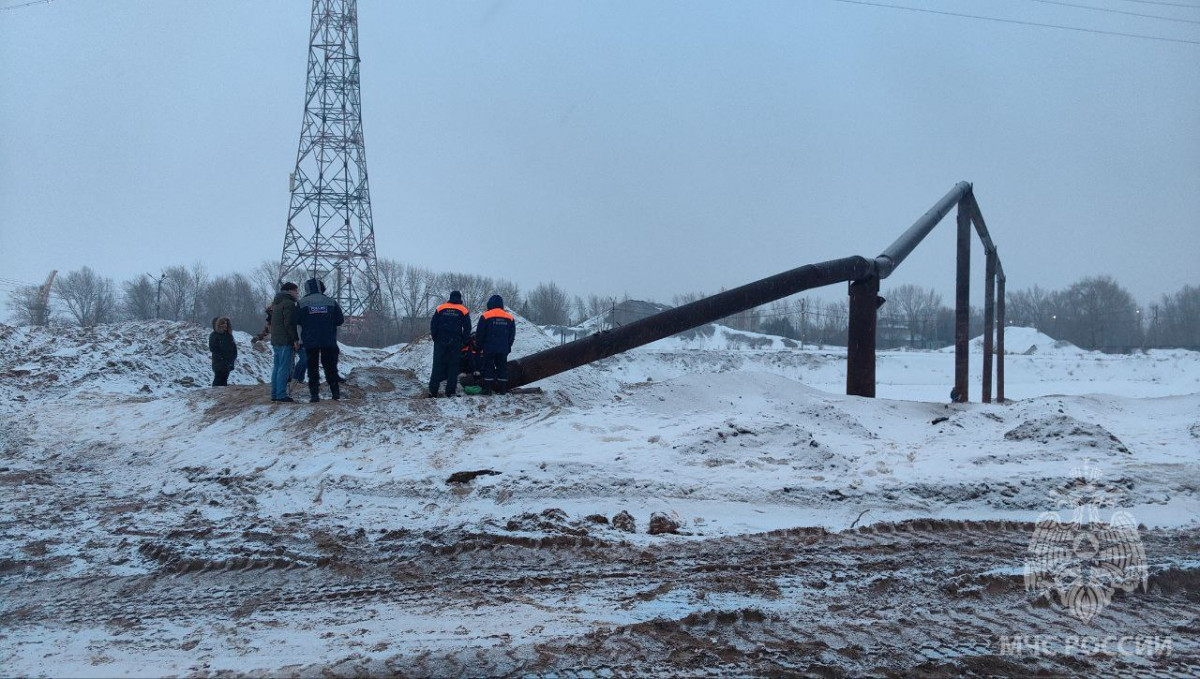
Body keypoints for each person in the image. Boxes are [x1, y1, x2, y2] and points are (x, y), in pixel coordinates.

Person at [295, 278, 345, 402]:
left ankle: (314, 395)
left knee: (312, 368)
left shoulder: (301, 303)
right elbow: (340, 320)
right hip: (328, 340)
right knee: (330, 367)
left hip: (310, 341)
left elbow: (296, 321)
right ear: (322, 288)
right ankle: (335, 393)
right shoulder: (331, 302)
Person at [428, 290, 471, 397]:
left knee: (437, 365)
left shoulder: (440, 308)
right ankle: (450, 391)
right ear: (459, 298)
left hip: (441, 341)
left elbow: (433, 324)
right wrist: (464, 341)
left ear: (450, 298)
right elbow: (467, 327)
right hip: (455, 342)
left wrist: (436, 338)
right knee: (453, 366)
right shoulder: (463, 310)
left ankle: (433, 390)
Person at [476, 294, 516, 395]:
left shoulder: (485, 316)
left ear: (490, 304)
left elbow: (480, 333)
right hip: (503, 348)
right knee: (502, 367)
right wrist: (508, 346)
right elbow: (512, 335)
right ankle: (502, 389)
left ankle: (487, 389)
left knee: (488, 367)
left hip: (489, 348)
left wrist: (479, 346)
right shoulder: (509, 318)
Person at [269, 282, 300, 403]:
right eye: (296, 291)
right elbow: (289, 324)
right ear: (289, 291)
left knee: (277, 367)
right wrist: (295, 339)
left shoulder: (276, 303)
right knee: (284, 368)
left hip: (276, 340)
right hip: (285, 340)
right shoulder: (289, 303)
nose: (297, 294)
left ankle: (275, 393)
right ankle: (281, 395)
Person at [208, 316, 237, 386]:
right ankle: (214, 394)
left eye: (226, 324)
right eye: (223, 323)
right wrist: (222, 359)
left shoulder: (229, 336)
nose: (225, 325)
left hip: (228, 363)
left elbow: (234, 349)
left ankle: (222, 395)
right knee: (218, 379)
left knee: (224, 380)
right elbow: (213, 349)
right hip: (219, 363)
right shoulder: (214, 335)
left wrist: (232, 359)